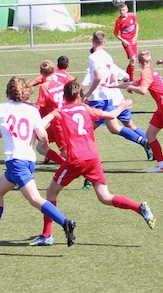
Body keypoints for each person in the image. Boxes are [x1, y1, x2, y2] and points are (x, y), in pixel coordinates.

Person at [30, 80, 155, 246]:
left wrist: (43, 138)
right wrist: (122, 107)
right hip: (93, 158)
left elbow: (40, 124)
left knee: (51, 192)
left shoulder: (59, 111)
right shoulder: (86, 108)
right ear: (78, 96)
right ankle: (140, 208)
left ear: (64, 96)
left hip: (75, 159)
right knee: (105, 196)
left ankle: (47, 235)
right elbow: (111, 115)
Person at [0, 77, 76, 248]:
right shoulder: (32, 111)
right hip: (28, 160)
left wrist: (0, 134)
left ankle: (65, 222)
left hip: (16, 161)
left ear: (7, 92)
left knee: (35, 199)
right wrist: (45, 142)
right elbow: (42, 135)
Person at [83, 31, 153, 159]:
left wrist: (87, 93)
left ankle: (85, 158)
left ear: (93, 42)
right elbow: (117, 76)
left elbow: (98, 77)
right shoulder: (108, 56)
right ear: (104, 42)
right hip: (110, 98)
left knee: (86, 129)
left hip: (98, 99)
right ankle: (146, 142)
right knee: (115, 128)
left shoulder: (93, 57)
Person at [33, 60, 68, 166]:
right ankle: (54, 156)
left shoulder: (44, 87)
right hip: (63, 119)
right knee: (40, 144)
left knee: (66, 154)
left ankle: (67, 165)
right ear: (53, 72)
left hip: (58, 124)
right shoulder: (60, 84)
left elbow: (39, 105)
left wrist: (26, 105)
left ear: (41, 72)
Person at [113, 0, 139, 80]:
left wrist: (135, 36)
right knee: (133, 59)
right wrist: (123, 40)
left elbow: (136, 25)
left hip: (133, 40)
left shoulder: (132, 16)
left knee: (133, 60)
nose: (122, 12)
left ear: (127, 9)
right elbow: (116, 33)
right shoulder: (118, 21)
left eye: (123, 10)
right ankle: (131, 79)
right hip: (126, 42)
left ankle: (126, 76)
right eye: (120, 10)